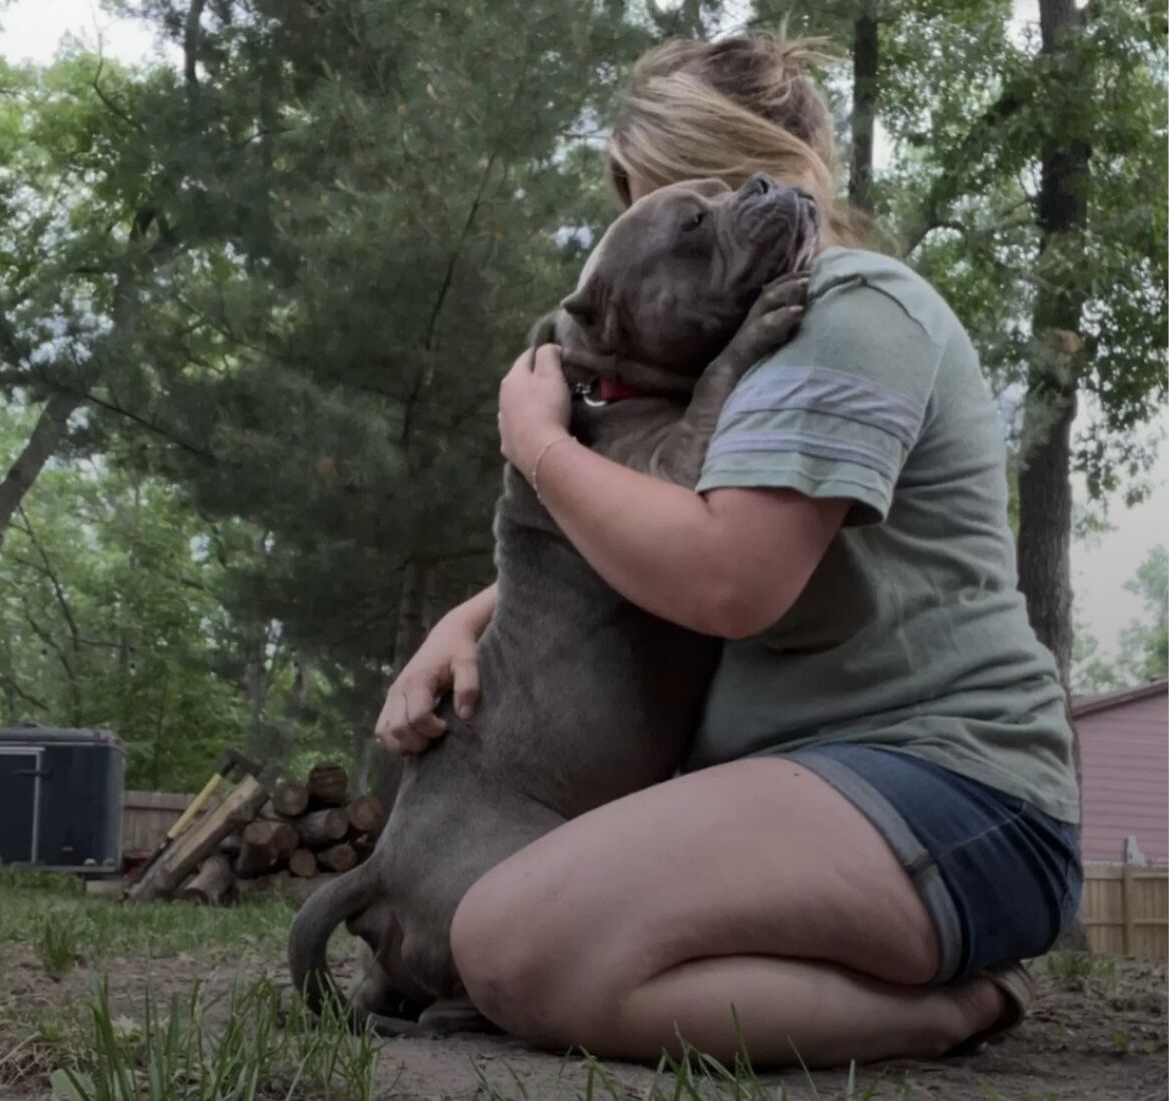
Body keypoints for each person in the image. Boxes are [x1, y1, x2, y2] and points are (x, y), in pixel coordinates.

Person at [372, 35, 1082, 1067]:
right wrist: (472, 616)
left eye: (659, 204)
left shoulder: (847, 310)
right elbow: (682, 531)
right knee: (511, 942)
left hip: (952, 790)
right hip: (821, 791)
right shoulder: (753, 340)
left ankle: (955, 1011)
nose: (638, 234)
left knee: (516, 945)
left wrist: (535, 442)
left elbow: (728, 576)